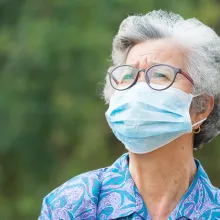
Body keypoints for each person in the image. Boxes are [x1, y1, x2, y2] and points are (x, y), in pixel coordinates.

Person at [38, 10, 220, 220]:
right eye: (127, 76)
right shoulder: (71, 205)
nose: (138, 88)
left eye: (160, 74)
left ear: (201, 107)